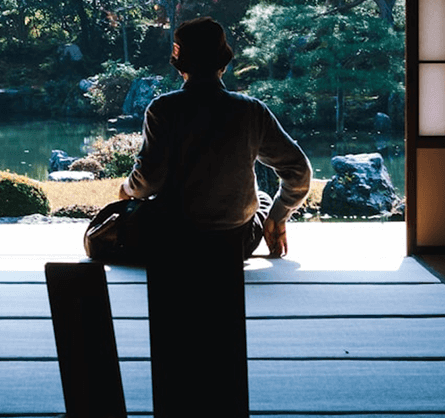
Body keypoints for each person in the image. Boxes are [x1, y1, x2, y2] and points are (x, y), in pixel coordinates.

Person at [118, 16, 311, 259]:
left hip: (171, 240)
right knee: (261, 198)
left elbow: (148, 181)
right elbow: (299, 171)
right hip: (234, 243)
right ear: (225, 64)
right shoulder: (250, 111)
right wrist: (278, 214)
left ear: (180, 65)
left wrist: (126, 189)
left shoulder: (163, 109)